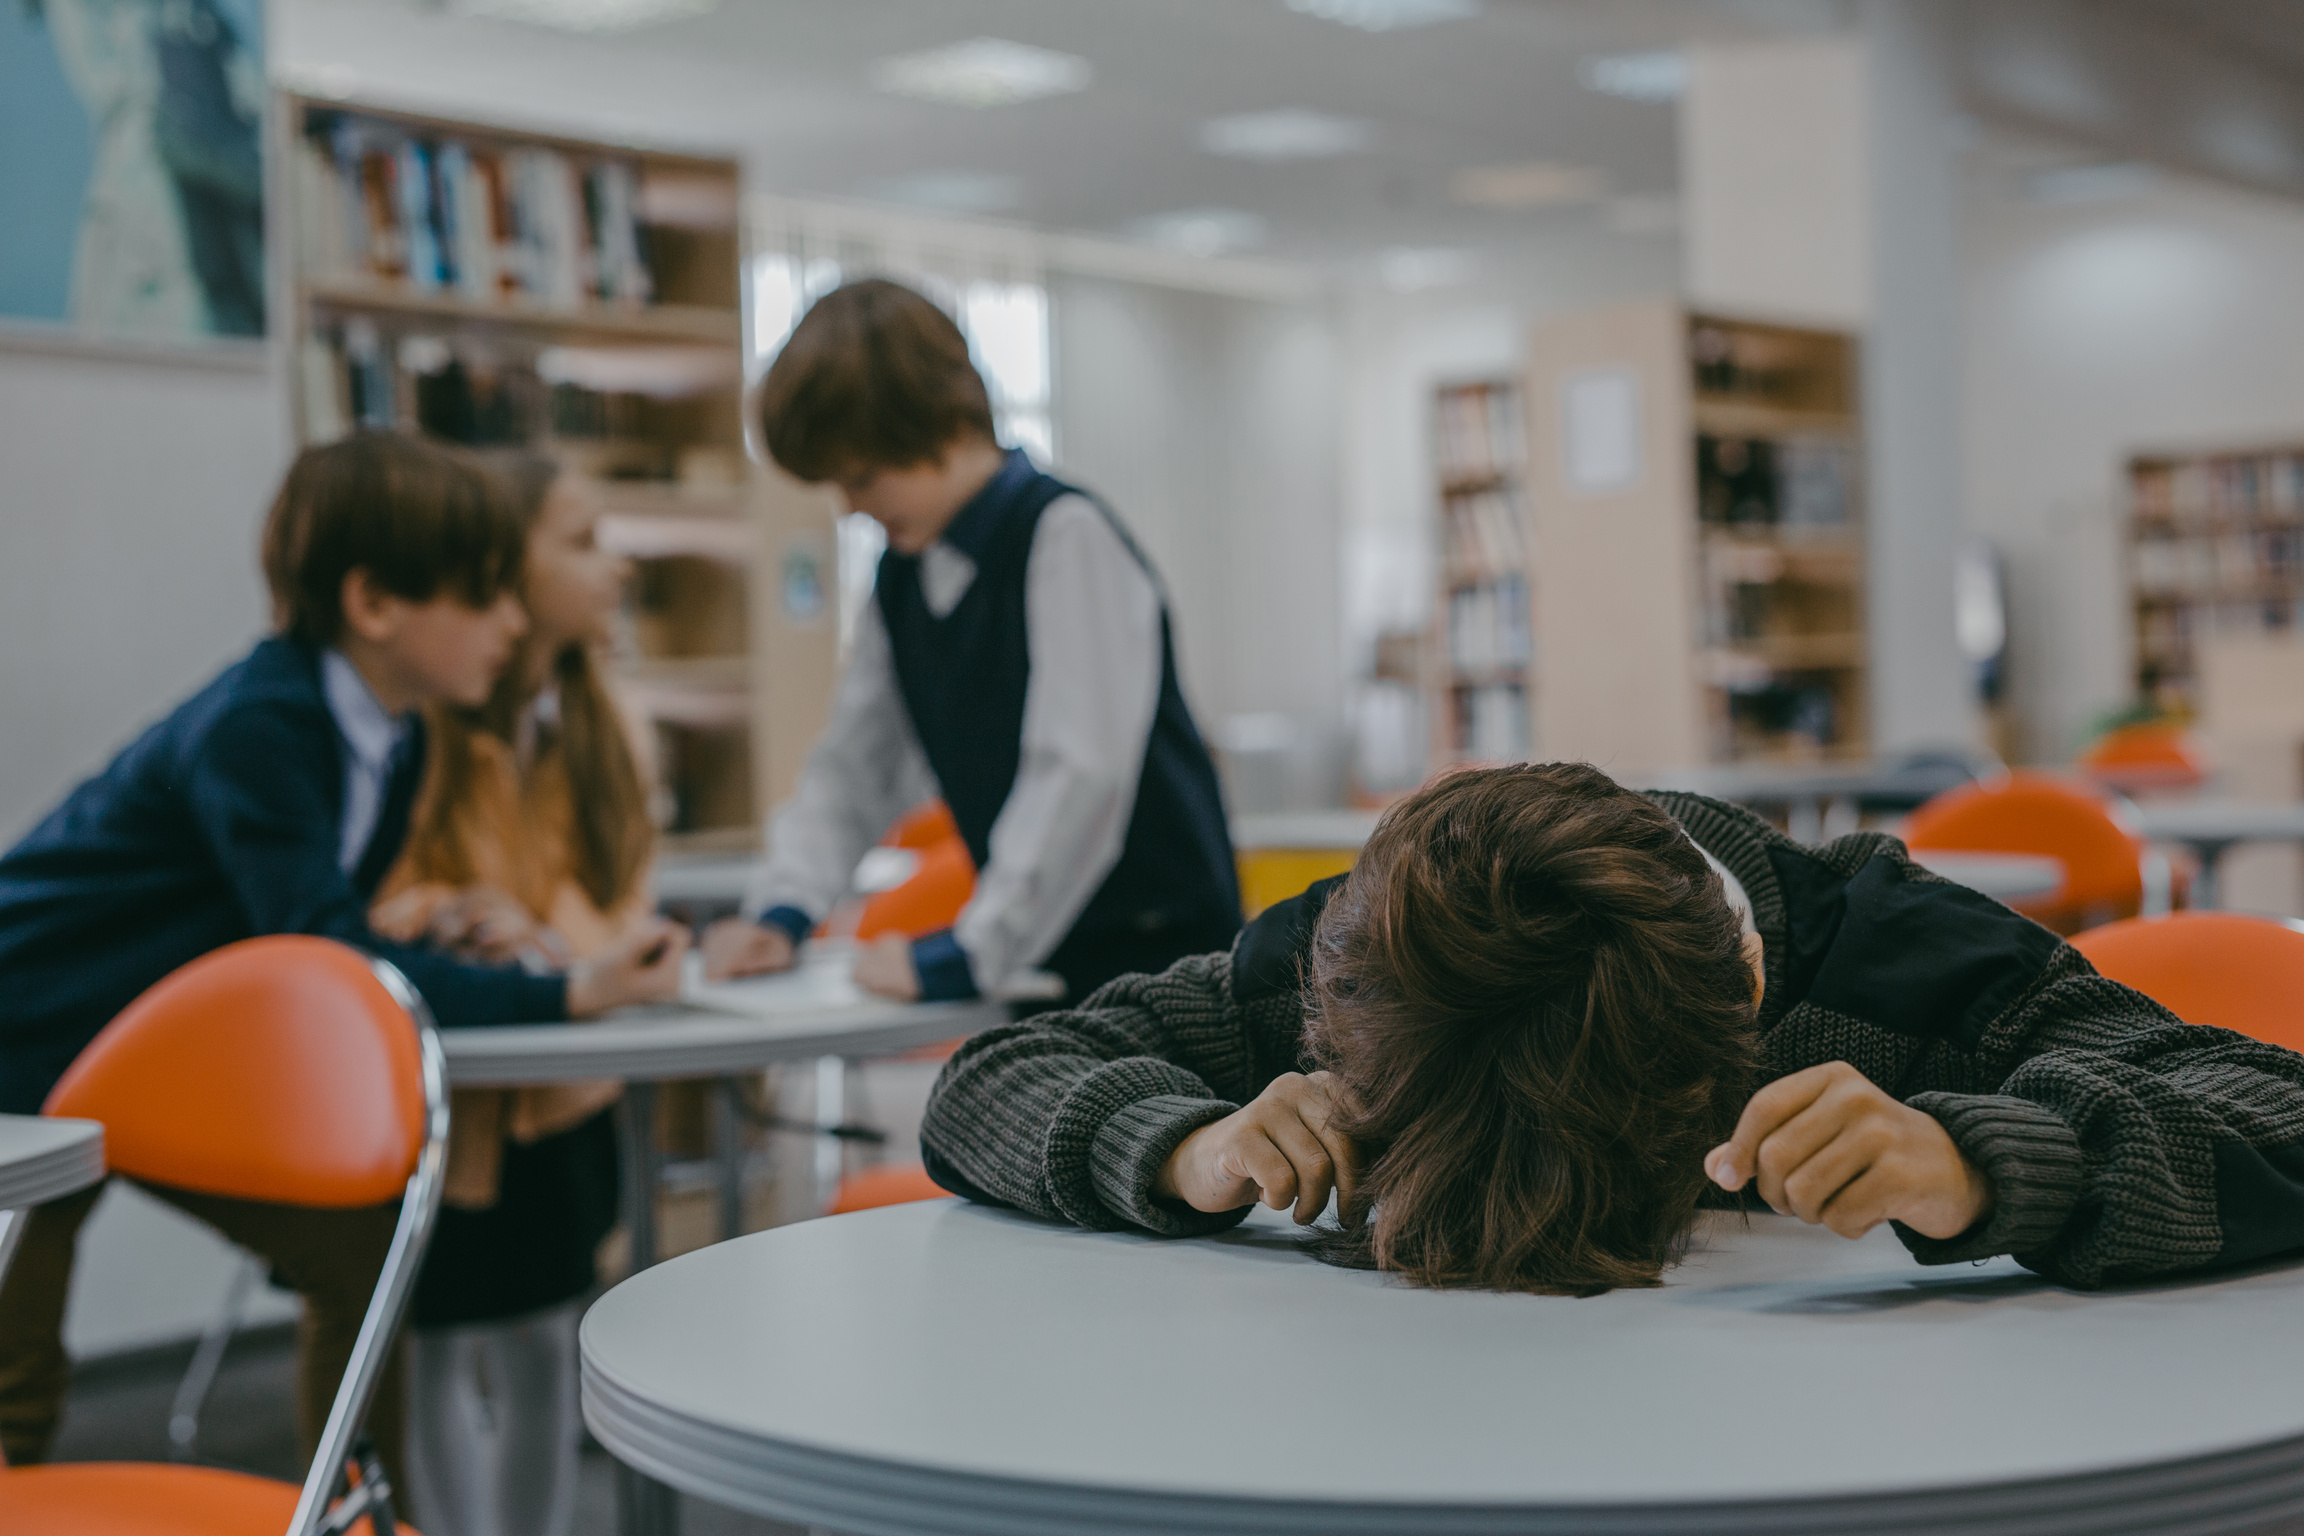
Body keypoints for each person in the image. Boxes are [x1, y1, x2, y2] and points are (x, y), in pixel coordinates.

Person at [919, 760, 2304, 1296]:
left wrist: (1990, 1163)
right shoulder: (1363, 960)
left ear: (1749, 1006)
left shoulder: (1897, 956)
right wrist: (1180, 1146)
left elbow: (2281, 1111)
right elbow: (989, 1083)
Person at [0, 433, 687, 1481]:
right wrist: (566, 988)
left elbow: (323, 932)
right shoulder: (260, 726)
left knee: (358, 1256)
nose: (513, 624)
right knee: (19, 1372)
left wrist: (437, 922)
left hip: (130, 1052)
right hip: (26, 1043)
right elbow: (335, 958)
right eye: (483, 596)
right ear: (375, 606)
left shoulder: (395, 734)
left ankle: (354, 1507)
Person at [699, 278, 1240, 1006]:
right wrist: (784, 908)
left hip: (1160, 962)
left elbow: (1078, 776)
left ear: (940, 426)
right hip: (1042, 957)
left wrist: (970, 951)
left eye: (861, 476)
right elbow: (854, 767)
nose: (851, 506)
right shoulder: (903, 575)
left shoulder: (1064, 535)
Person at [366, 454, 645, 1536]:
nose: (610, 566)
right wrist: (451, 910)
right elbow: (370, 896)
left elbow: (625, 900)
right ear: (504, 568)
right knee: (438, 1342)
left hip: (559, 1094)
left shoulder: (597, 724)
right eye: (579, 541)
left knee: (545, 1339)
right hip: (447, 1099)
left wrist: (557, 941)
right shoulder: (424, 723)